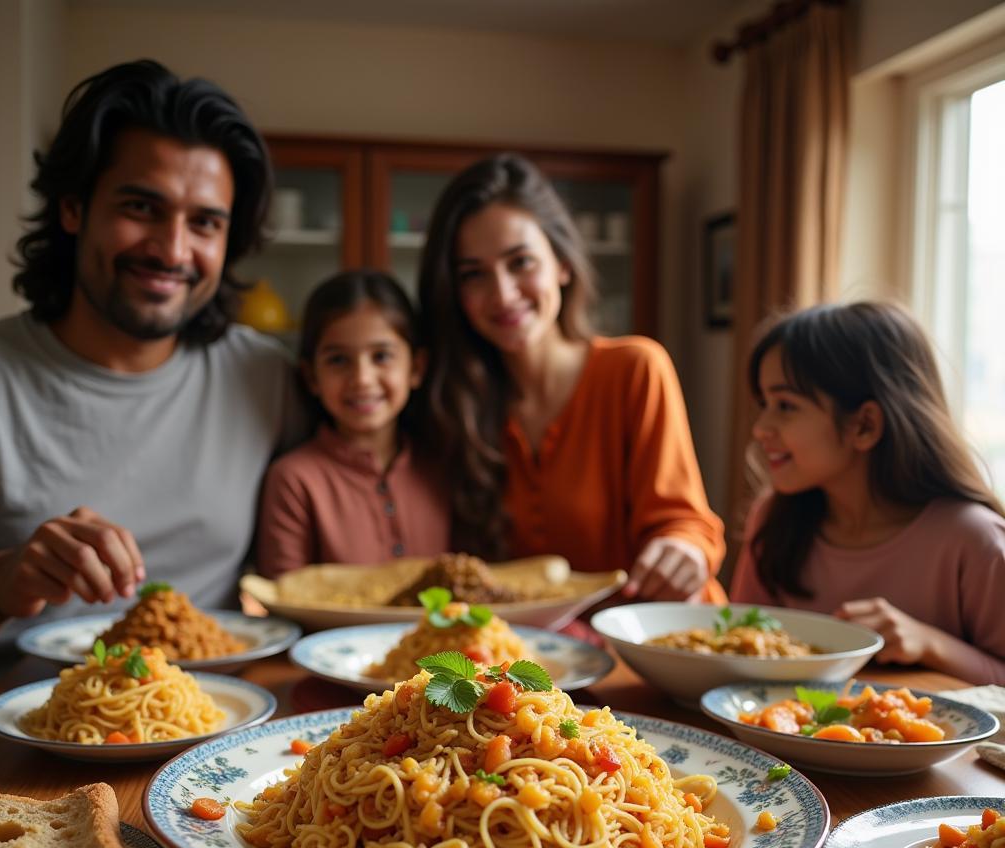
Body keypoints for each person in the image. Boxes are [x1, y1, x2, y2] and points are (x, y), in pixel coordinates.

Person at [0, 60, 307, 653]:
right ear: (74, 207)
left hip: (226, 722)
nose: (172, 249)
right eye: (141, 208)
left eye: (204, 222)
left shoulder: (266, 379)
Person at [417, 153, 725, 602]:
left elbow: (683, 522)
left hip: (655, 645)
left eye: (520, 262)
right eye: (474, 275)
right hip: (534, 665)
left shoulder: (635, 369)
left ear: (562, 263)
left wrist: (682, 550)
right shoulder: (454, 403)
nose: (502, 294)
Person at [730, 301, 1005, 685]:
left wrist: (931, 644)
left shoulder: (975, 540)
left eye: (785, 406)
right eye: (764, 404)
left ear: (864, 425)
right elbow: (733, 657)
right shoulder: (773, 519)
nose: (761, 428)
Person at [256, 270, 448, 575]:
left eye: (382, 356)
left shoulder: (443, 468)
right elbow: (284, 597)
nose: (361, 379)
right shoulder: (294, 481)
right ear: (311, 377)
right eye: (338, 360)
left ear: (417, 367)